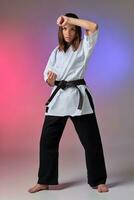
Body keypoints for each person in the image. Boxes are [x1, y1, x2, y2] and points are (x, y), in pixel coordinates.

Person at [28, 13, 109, 193]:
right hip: (59, 99)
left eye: (72, 29)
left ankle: (98, 180)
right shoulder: (56, 52)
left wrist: (69, 19)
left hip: (79, 99)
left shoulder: (84, 47)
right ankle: (44, 180)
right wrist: (50, 81)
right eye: (65, 29)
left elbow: (94, 26)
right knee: (47, 141)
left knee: (92, 142)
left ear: (77, 30)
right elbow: (48, 76)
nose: (68, 32)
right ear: (60, 31)